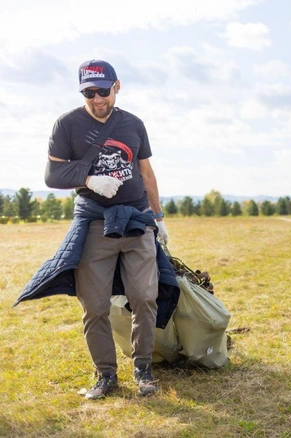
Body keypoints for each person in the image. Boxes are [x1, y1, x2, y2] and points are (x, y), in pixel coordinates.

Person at [42, 59, 169, 399]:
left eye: (103, 91)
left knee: (145, 297)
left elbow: (146, 173)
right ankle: (106, 375)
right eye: (89, 93)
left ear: (117, 86)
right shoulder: (67, 125)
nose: (97, 99)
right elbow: (52, 175)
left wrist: (158, 218)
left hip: (137, 221)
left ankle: (143, 369)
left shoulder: (133, 124)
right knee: (95, 306)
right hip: (95, 224)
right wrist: (87, 179)